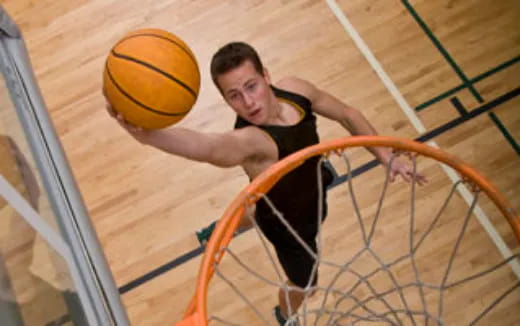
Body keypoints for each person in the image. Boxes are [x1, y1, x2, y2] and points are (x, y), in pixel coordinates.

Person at [106, 42, 426, 325]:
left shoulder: (296, 91)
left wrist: (387, 157)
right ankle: (284, 316)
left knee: (258, 200)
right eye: (235, 96)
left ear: (267, 75)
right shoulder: (251, 142)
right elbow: (206, 147)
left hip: (305, 182)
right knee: (305, 285)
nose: (249, 102)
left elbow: (347, 113)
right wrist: (146, 135)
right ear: (226, 101)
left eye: (252, 86)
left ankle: (222, 227)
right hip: (288, 227)